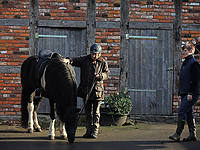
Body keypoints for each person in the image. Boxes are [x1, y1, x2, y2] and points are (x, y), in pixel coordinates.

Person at [64, 43, 110, 138]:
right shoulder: (85, 59)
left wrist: (100, 76)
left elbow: (107, 73)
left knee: (96, 112)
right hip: (86, 91)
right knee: (87, 112)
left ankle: (95, 131)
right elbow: (76, 60)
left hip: (97, 91)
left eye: (95, 54)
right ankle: (88, 130)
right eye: (92, 54)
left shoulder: (103, 62)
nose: (93, 56)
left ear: (99, 54)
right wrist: (69, 60)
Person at [169, 42, 200, 142]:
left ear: (191, 51)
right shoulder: (185, 63)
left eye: (186, 51)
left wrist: (190, 93)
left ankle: (177, 135)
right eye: (183, 51)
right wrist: (180, 93)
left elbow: (196, 80)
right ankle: (192, 135)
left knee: (182, 111)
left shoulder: (194, 63)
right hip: (184, 92)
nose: (184, 52)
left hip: (192, 93)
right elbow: (183, 79)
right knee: (189, 113)